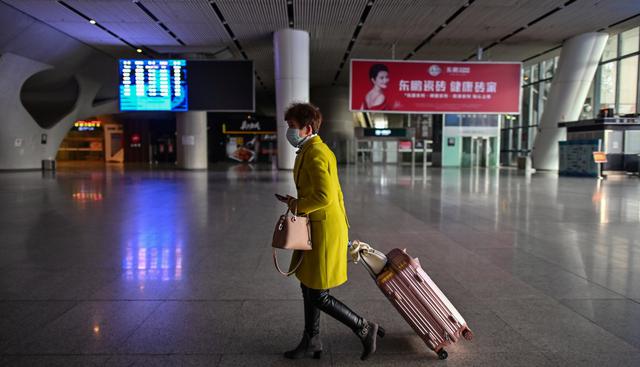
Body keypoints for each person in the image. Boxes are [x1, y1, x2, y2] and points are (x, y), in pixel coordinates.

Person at [277, 102, 383, 361]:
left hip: (324, 229)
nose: (288, 132)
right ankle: (311, 340)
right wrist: (297, 203)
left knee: (319, 293)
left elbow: (324, 196)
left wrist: (296, 204)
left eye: (292, 127)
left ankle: (364, 327)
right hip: (314, 225)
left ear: (307, 128)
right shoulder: (308, 149)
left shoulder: (316, 153)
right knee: (307, 284)